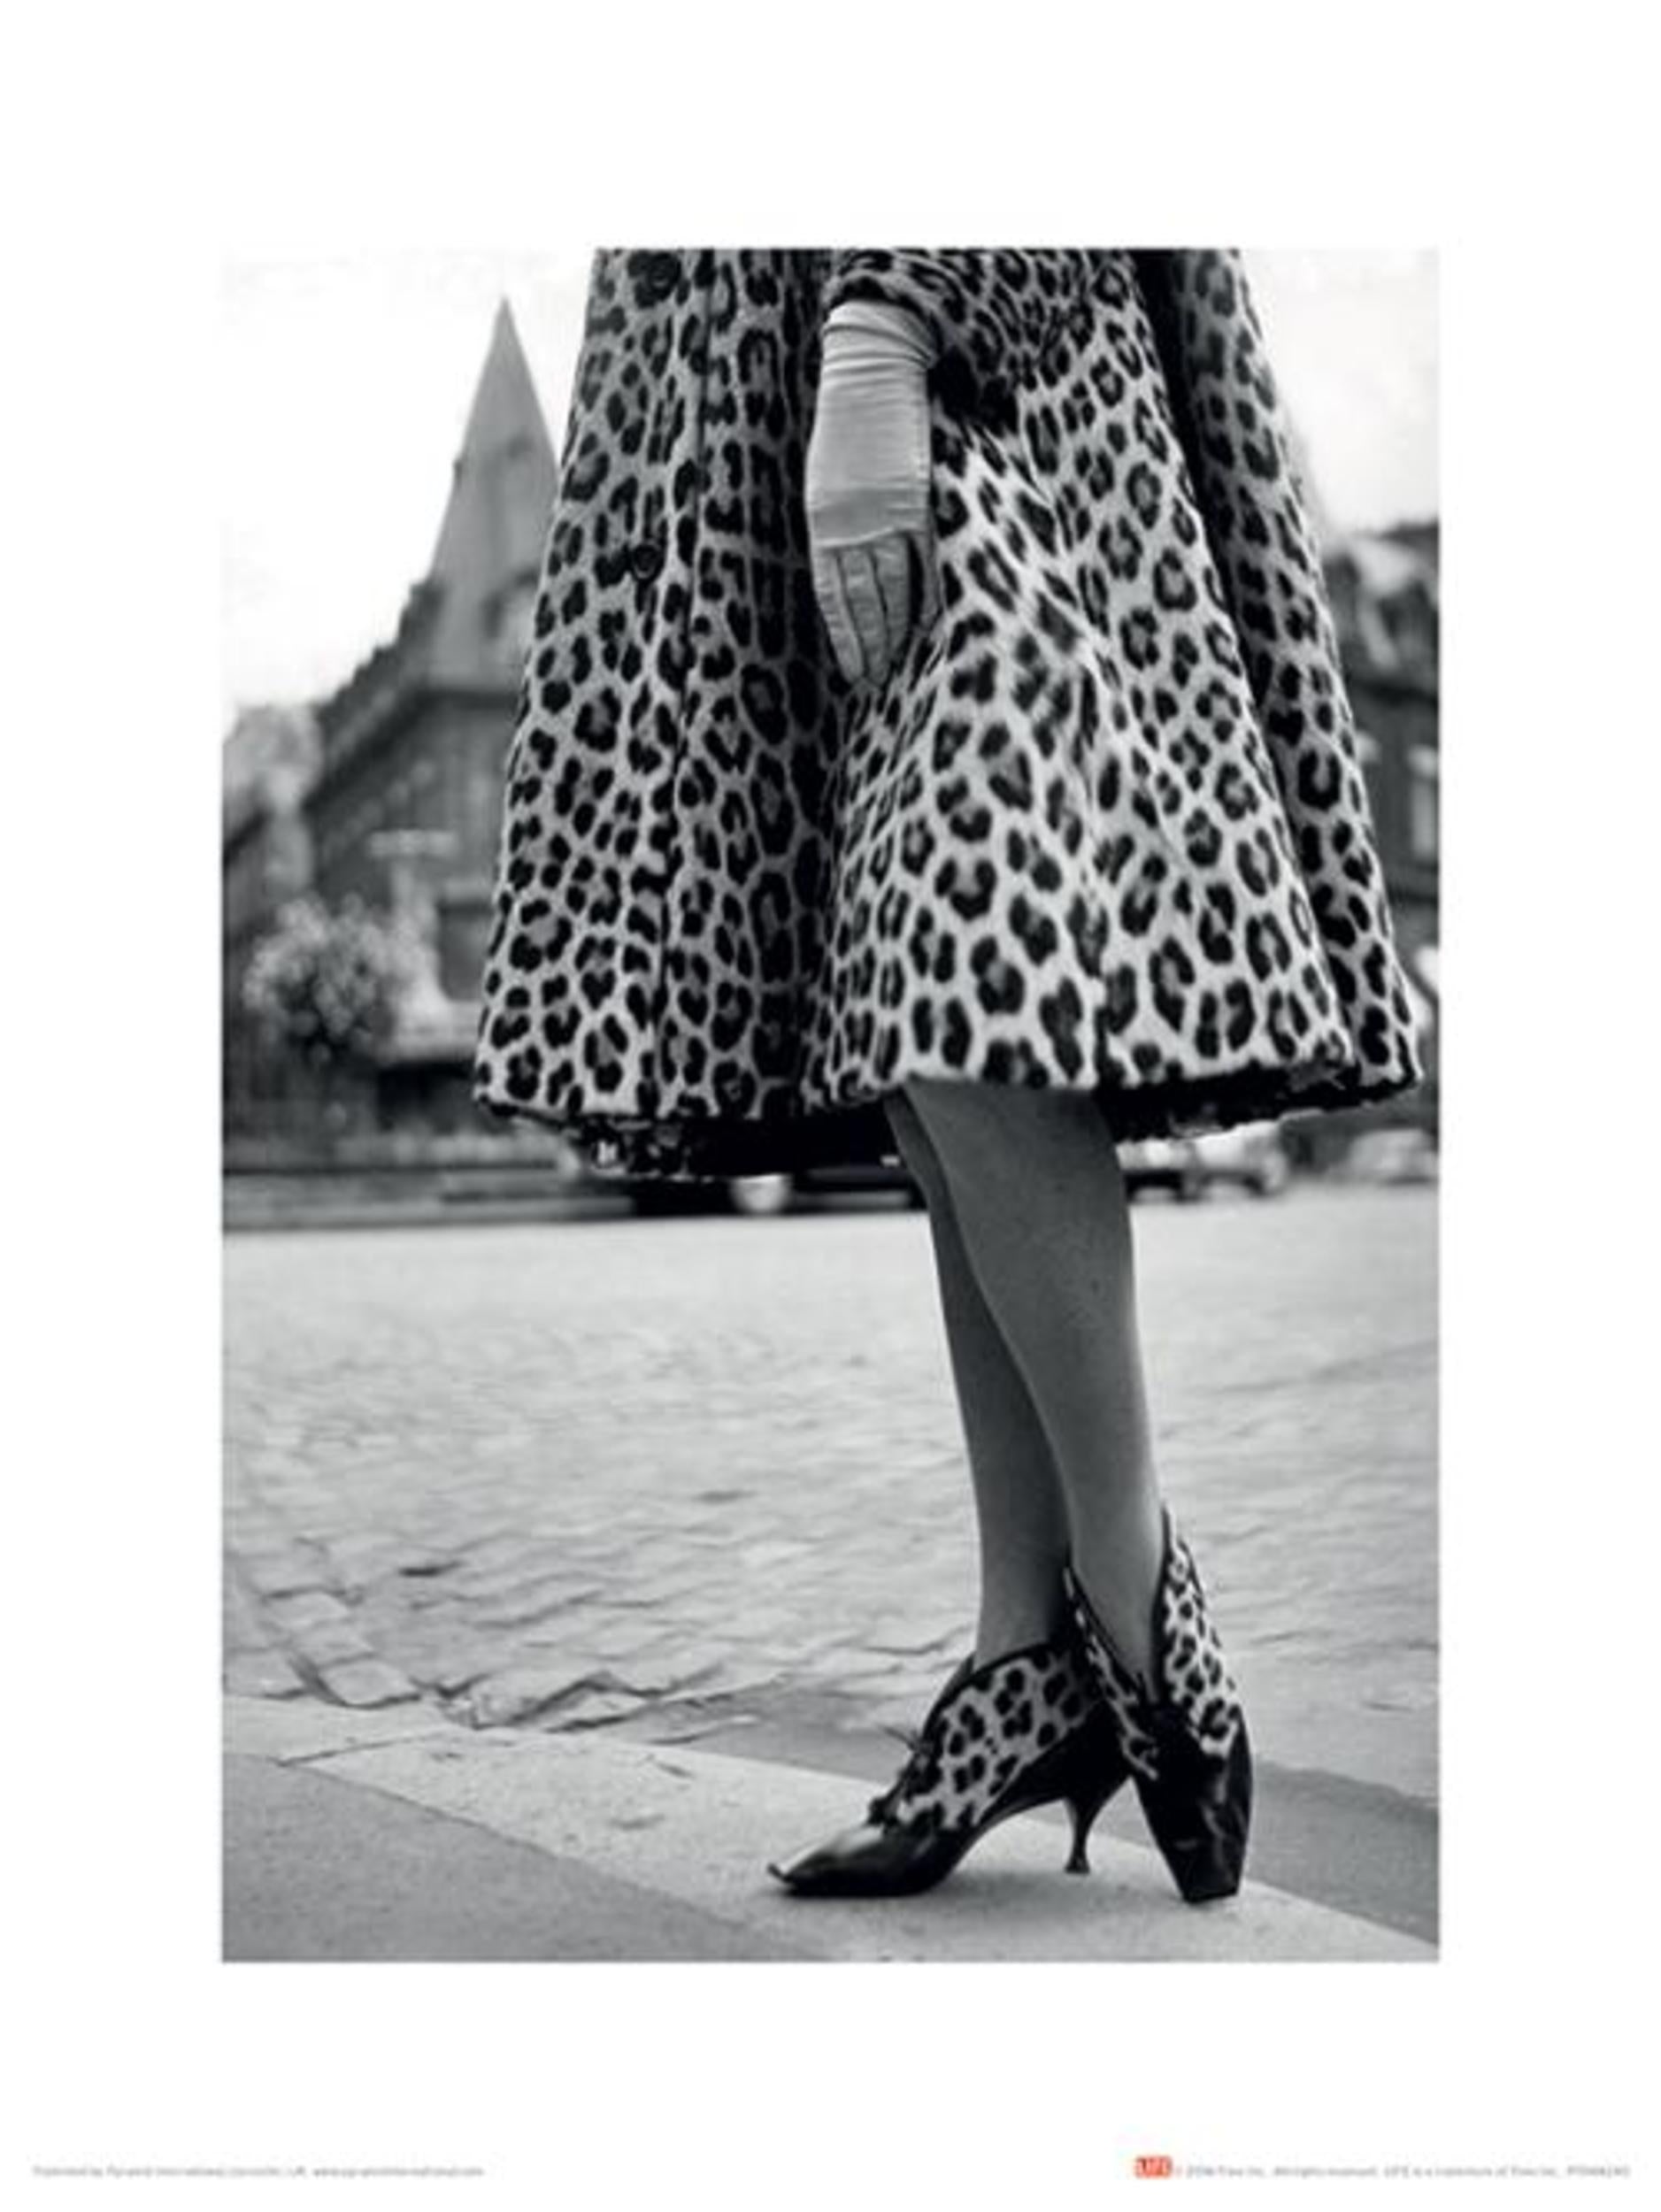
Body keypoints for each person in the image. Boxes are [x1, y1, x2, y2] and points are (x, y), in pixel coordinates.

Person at [473, 249, 1423, 1905]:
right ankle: (1024, 1656)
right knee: (924, 1065)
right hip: (781, 374)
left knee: (963, 997)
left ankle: (1133, 1609)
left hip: (985, 371)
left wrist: (897, 316)